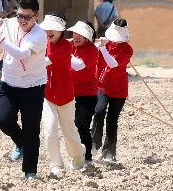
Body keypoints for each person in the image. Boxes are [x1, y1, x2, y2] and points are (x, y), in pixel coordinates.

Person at [0, 0, 47, 180]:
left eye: (27, 17)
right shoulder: (9, 24)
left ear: (36, 16)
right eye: (19, 15)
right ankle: (21, 142)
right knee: (2, 120)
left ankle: (30, 170)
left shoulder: (40, 35)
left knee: (31, 129)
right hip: (9, 83)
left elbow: (20, 54)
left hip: (33, 86)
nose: (22, 20)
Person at [39, 12, 86, 175]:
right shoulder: (42, 42)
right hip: (47, 94)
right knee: (49, 130)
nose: (49, 32)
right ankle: (56, 164)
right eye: (47, 29)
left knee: (69, 131)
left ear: (61, 30)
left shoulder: (66, 46)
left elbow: (45, 62)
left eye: (54, 29)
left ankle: (78, 154)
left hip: (65, 95)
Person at [92, 19, 133, 163]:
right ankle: (94, 142)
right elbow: (91, 51)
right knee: (99, 111)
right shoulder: (105, 43)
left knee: (112, 120)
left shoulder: (128, 50)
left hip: (119, 90)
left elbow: (113, 64)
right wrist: (96, 45)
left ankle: (109, 152)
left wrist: (103, 48)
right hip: (102, 85)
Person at [68, 20, 99, 163]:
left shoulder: (92, 50)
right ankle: (76, 154)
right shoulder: (70, 46)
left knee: (81, 125)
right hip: (69, 93)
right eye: (74, 33)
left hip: (87, 94)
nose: (76, 36)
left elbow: (78, 66)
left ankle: (87, 157)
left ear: (87, 37)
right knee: (71, 127)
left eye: (80, 34)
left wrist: (63, 49)